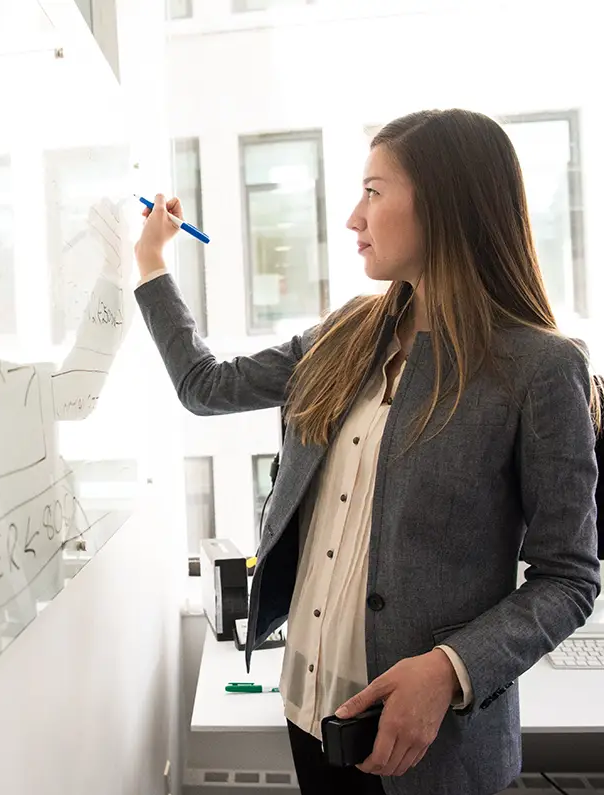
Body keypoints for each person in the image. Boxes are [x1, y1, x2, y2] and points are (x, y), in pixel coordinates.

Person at [132, 109, 601, 795]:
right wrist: (150, 262)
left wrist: (449, 667)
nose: (354, 216)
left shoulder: (539, 368)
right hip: (309, 707)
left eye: (374, 192)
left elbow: (569, 577)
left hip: (428, 745)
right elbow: (205, 386)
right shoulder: (345, 333)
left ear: (446, 205)